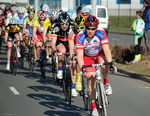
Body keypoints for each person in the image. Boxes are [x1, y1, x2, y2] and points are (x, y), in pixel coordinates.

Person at [76, 15, 117, 116]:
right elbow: (80, 56)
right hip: (87, 57)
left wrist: (111, 64)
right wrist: (82, 68)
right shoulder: (80, 36)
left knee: (105, 64)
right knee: (91, 79)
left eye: (93, 29)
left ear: (96, 28)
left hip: (99, 54)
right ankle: (94, 107)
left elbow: (107, 51)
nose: (90, 31)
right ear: (85, 28)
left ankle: (106, 82)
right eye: (88, 28)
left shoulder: (101, 33)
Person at [68, 15, 85, 96]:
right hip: (75, 47)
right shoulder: (72, 31)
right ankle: (73, 86)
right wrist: (71, 58)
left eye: (81, 28)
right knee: (73, 63)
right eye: (77, 28)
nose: (79, 30)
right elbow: (71, 46)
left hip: (85, 48)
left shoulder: (87, 31)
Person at [51, 12, 71, 79]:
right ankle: (60, 69)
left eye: (66, 24)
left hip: (69, 43)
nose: (64, 26)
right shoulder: (56, 27)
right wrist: (55, 51)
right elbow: (53, 43)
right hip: (59, 42)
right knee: (62, 51)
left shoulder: (72, 27)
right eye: (62, 24)